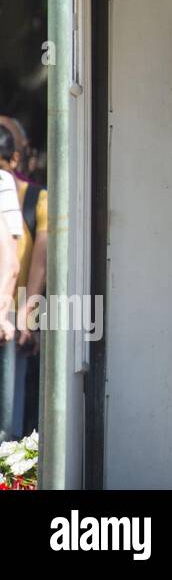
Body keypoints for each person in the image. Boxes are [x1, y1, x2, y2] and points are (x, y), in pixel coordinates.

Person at [0, 118, 47, 440]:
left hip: (13, 317)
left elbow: (35, 265)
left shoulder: (37, 199)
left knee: (9, 422)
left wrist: (26, 319)